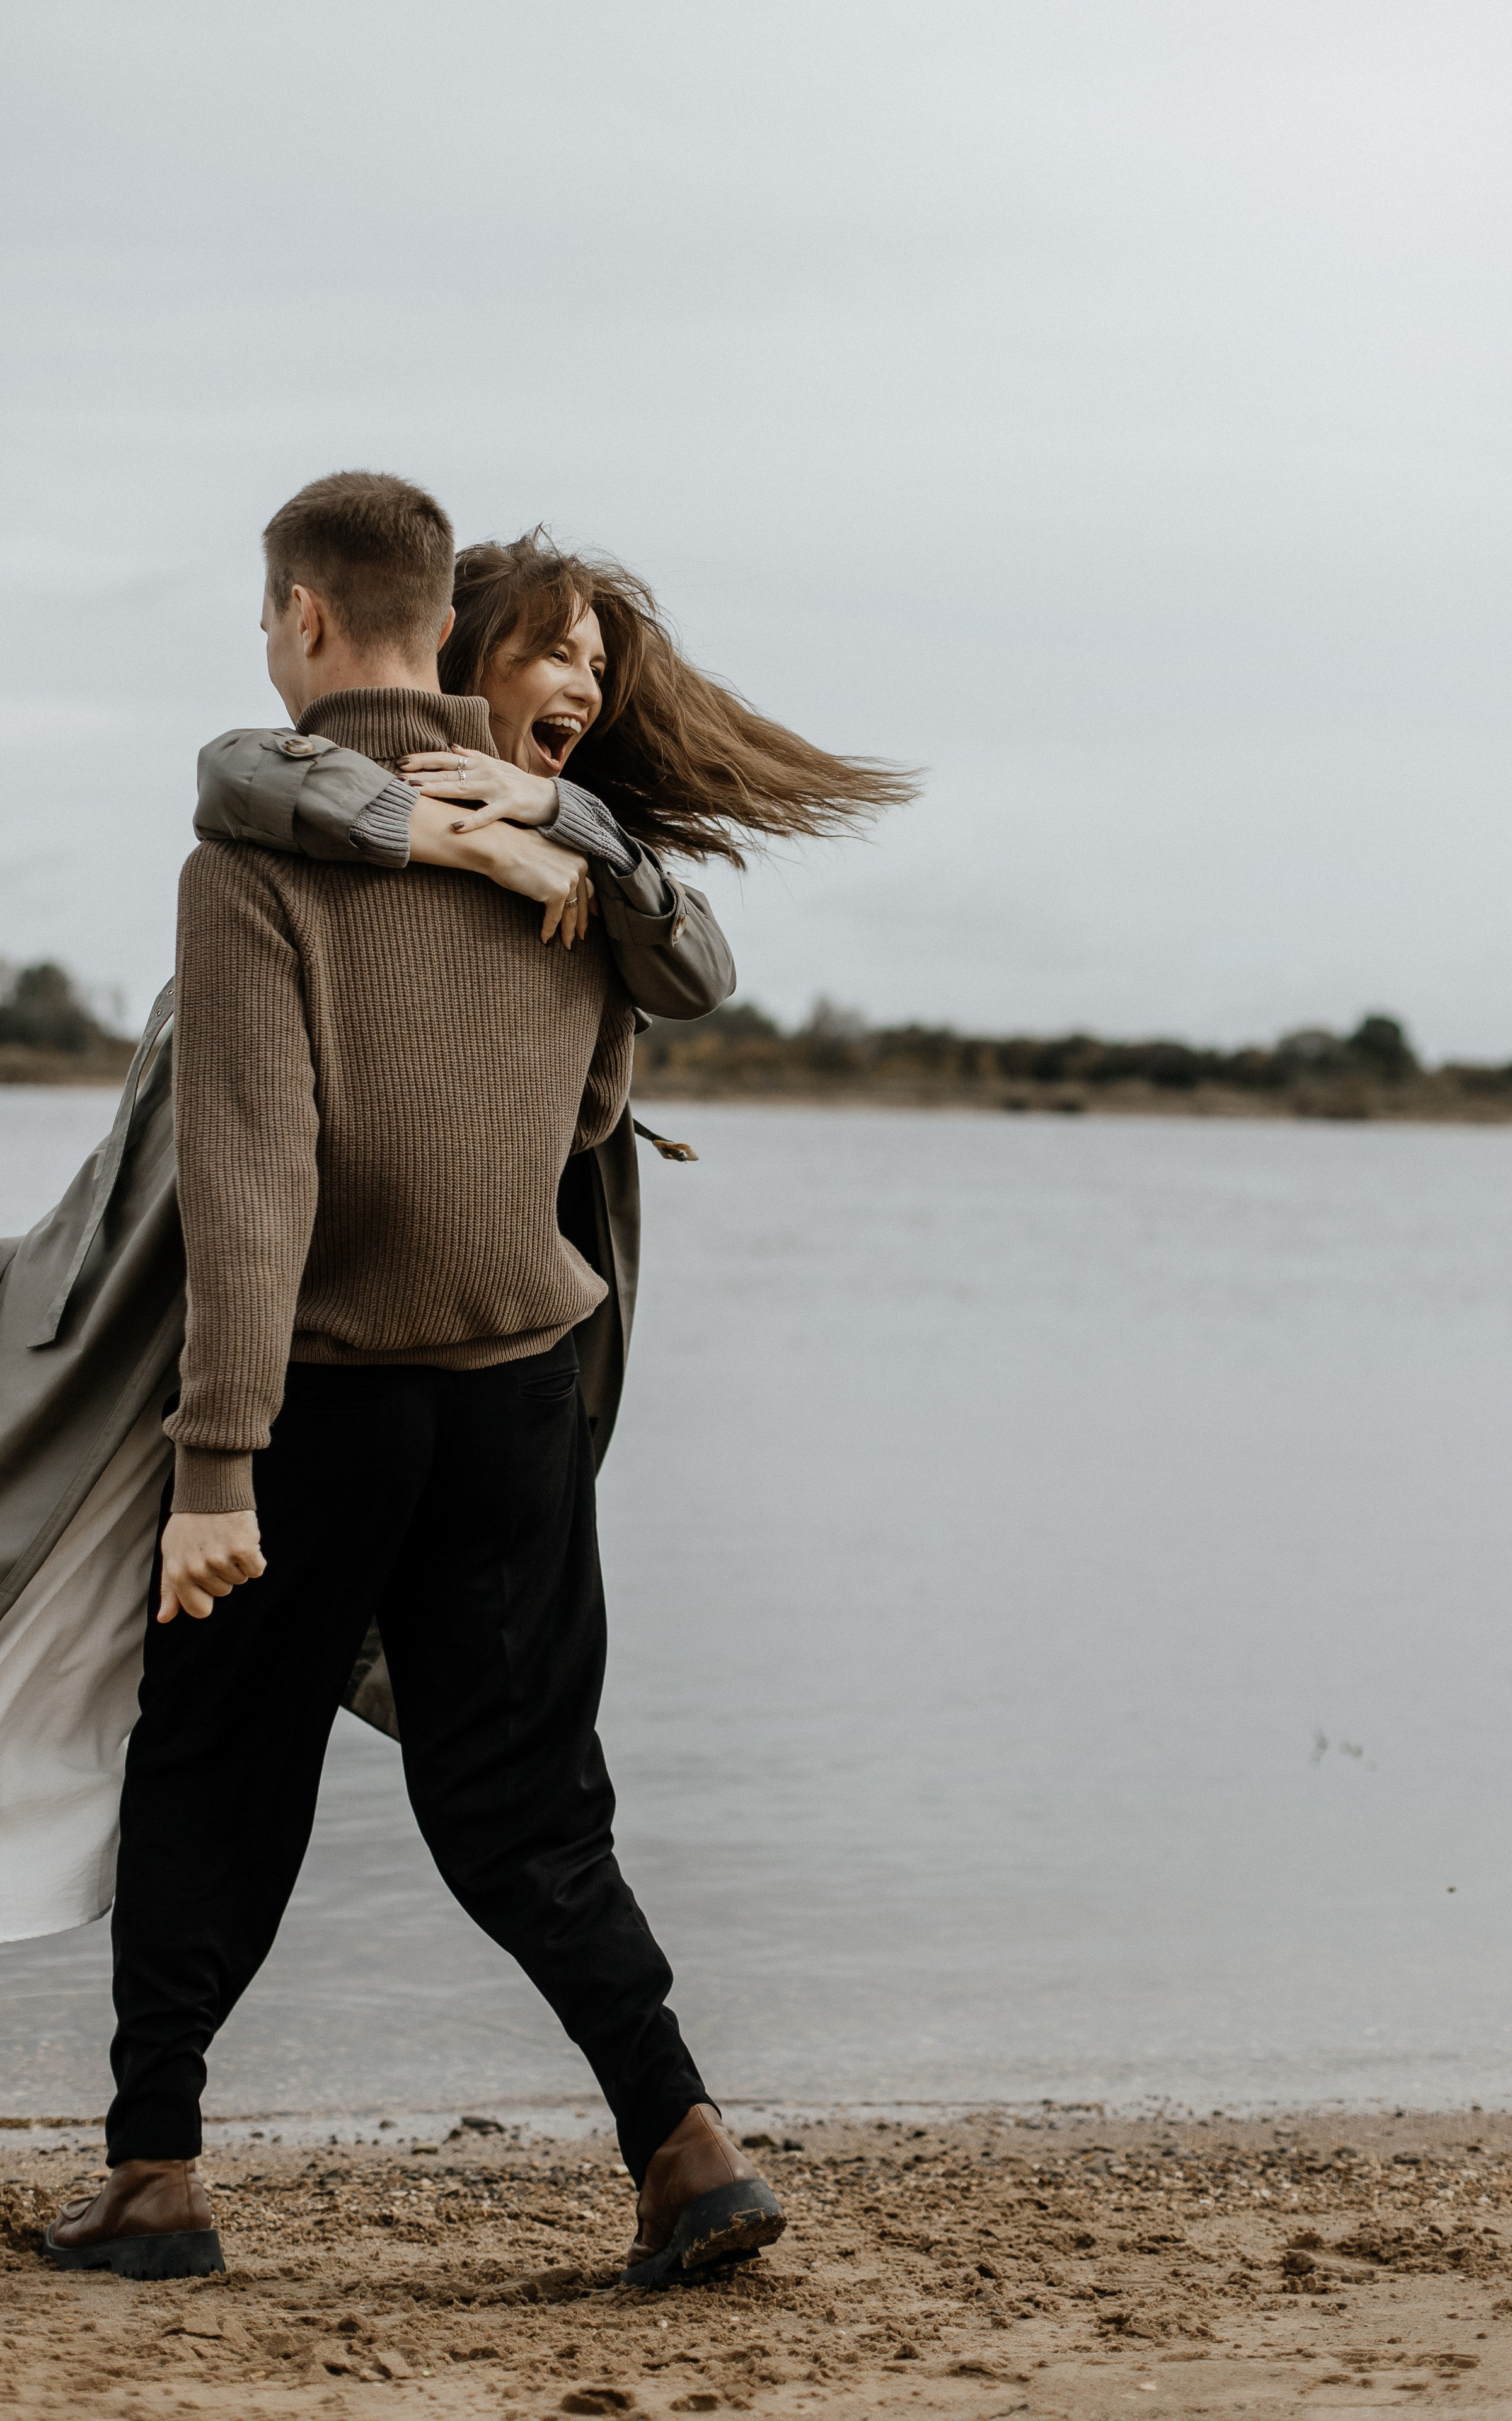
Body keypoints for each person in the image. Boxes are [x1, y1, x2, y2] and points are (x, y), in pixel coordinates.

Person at [33, 472, 912, 2289]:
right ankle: (684, 2148)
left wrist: (217, 1466)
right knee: (525, 1794)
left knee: (215, 1772)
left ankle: (154, 2177)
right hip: (520, 1398)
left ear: (302, 618)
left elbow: (255, 1180)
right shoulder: (578, 873)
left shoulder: (254, 863)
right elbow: (591, 1116)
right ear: (446, 632)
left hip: (324, 1400)